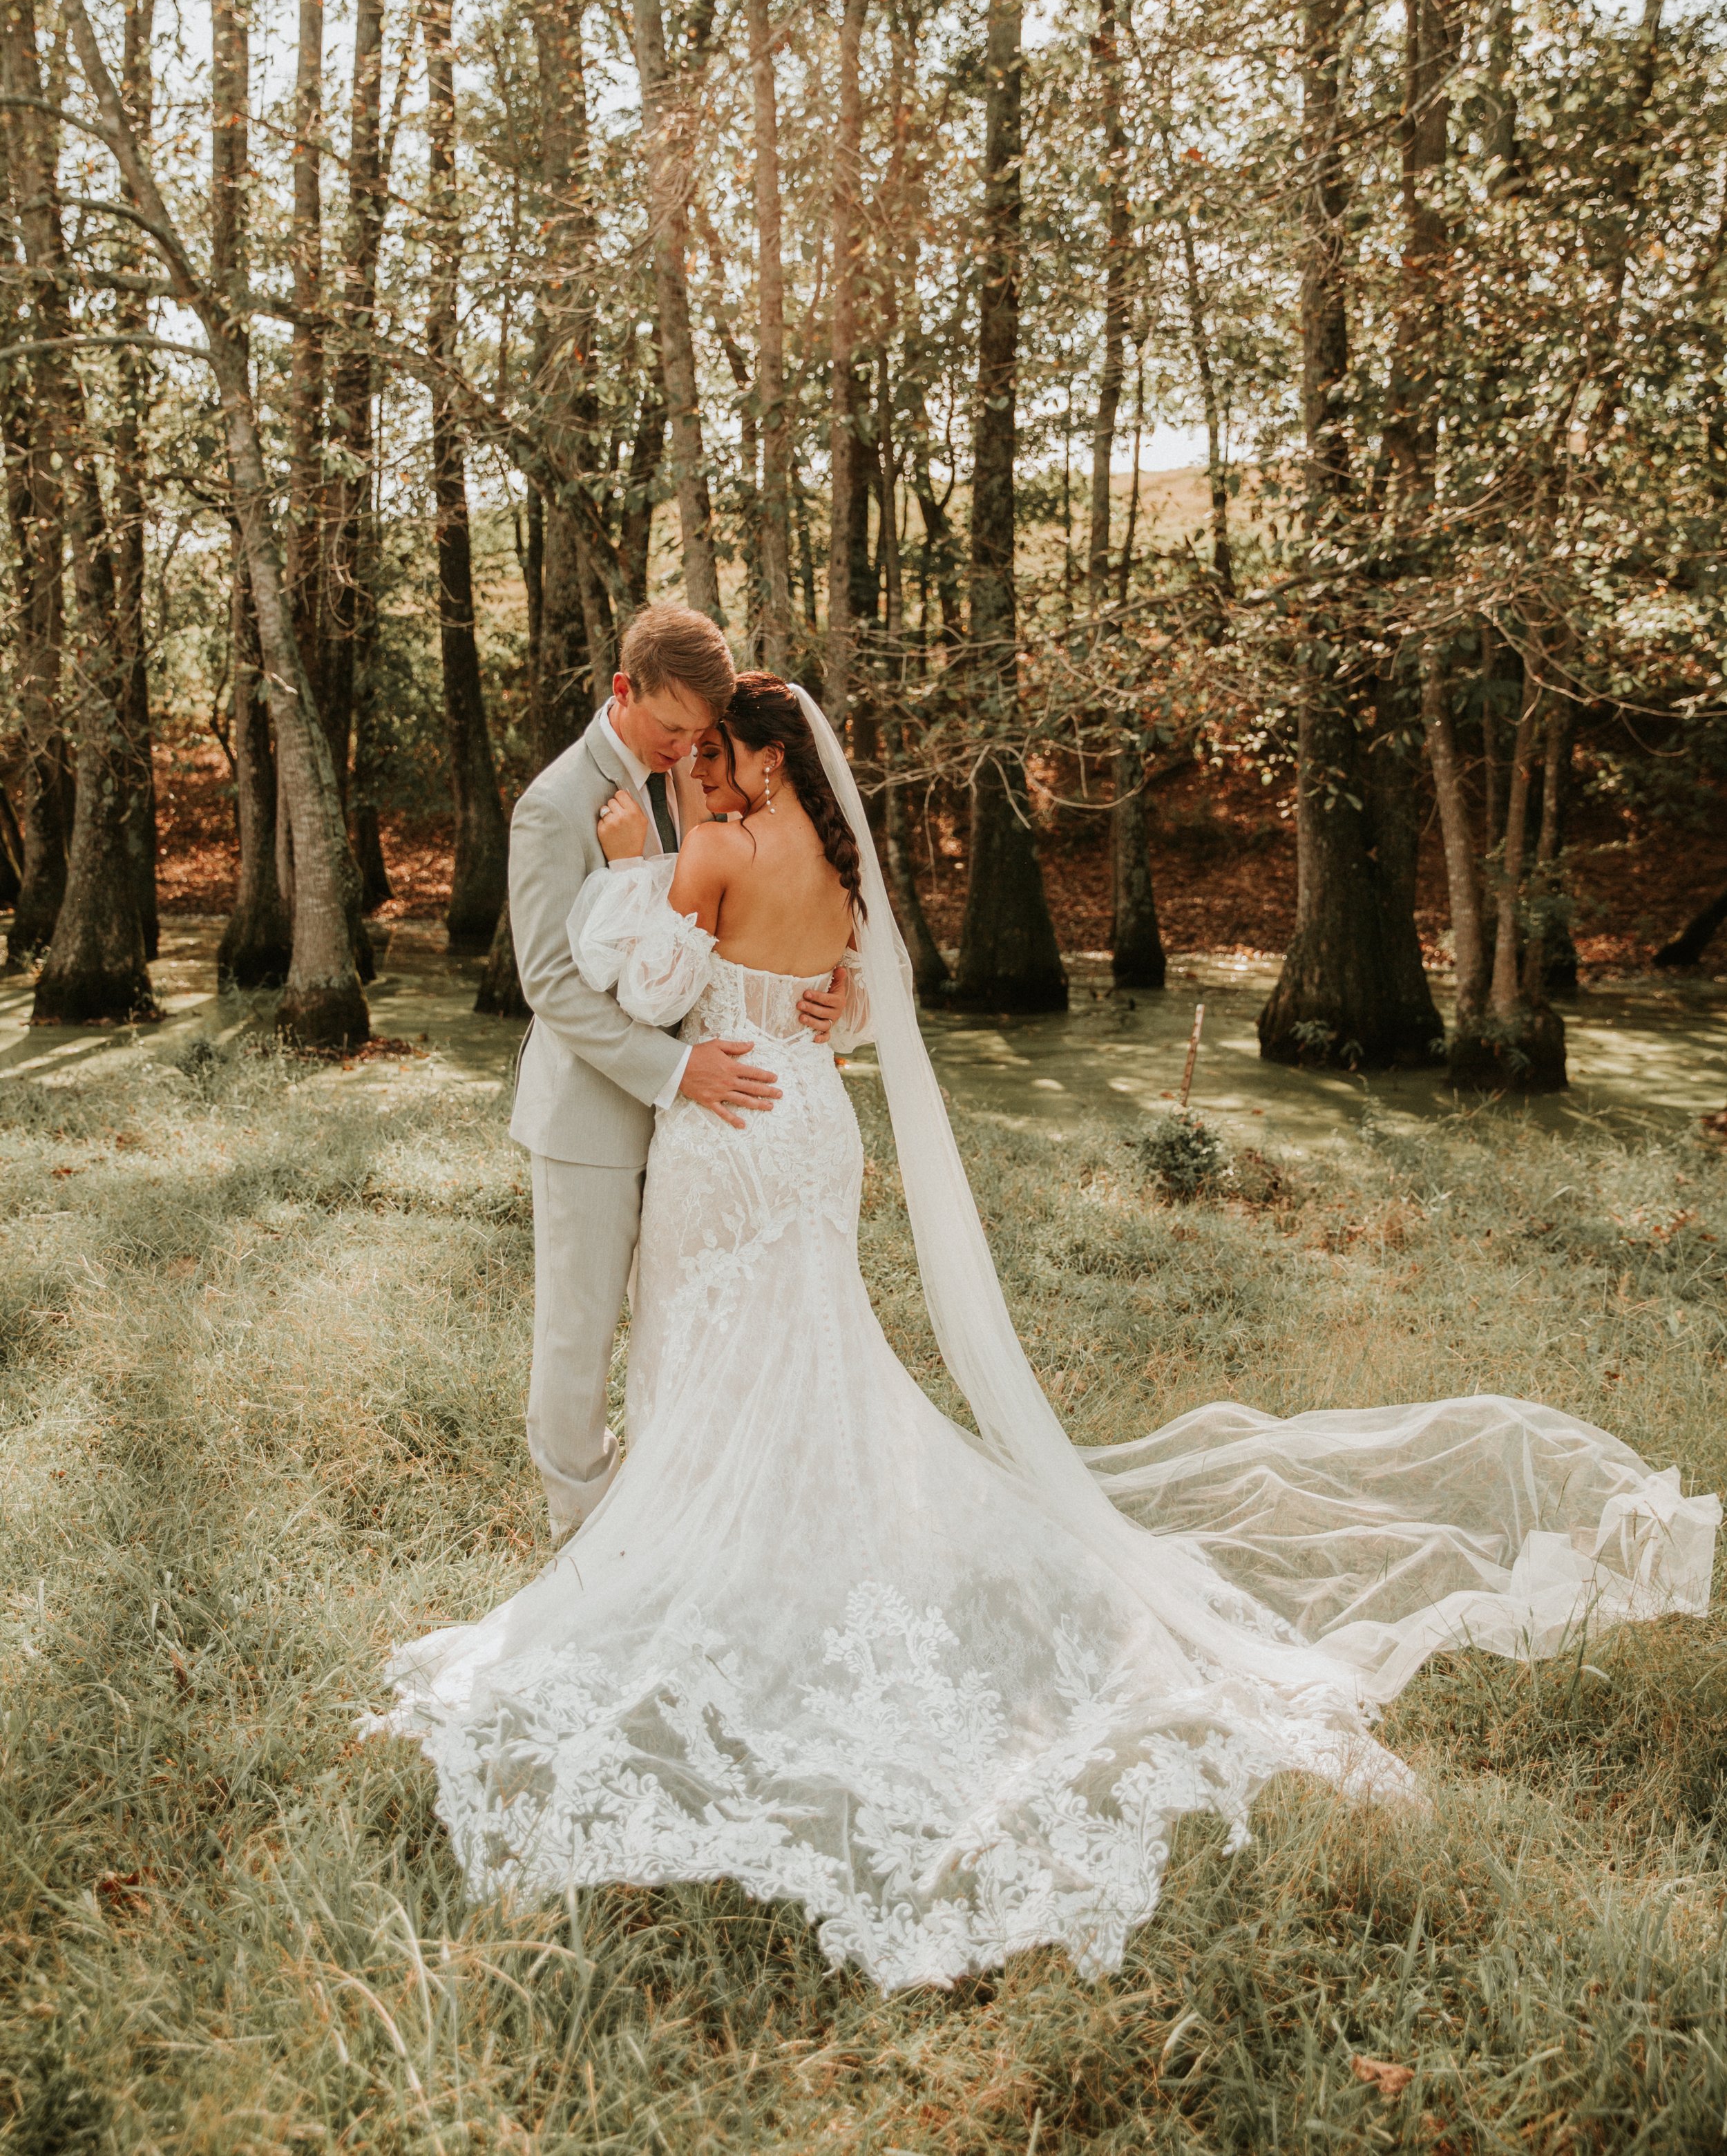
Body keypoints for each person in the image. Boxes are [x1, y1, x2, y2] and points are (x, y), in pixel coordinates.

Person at [379, 674, 1719, 1992]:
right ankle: (782, 1555)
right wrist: (784, 998)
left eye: (719, 754)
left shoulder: (712, 851)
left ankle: (694, 1574)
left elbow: (645, 985)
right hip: (810, 1134)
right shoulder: (840, 869)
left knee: (707, 1359)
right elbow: (848, 1002)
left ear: (769, 763)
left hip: (724, 1136)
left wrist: (629, 862)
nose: (703, 773)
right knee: (812, 1355)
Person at [503, 608, 842, 1539]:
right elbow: (552, 985)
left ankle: (670, 1530)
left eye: (703, 735)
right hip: (597, 1117)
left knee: (683, 1329)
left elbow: (734, 922)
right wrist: (675, 1068)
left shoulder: (699, 781)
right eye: (671, 729)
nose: (690, 750)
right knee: (578, 1341)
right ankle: (580, 1540)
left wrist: (820, 986)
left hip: (704, 1128)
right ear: (624, 691)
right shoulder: (556, 804)